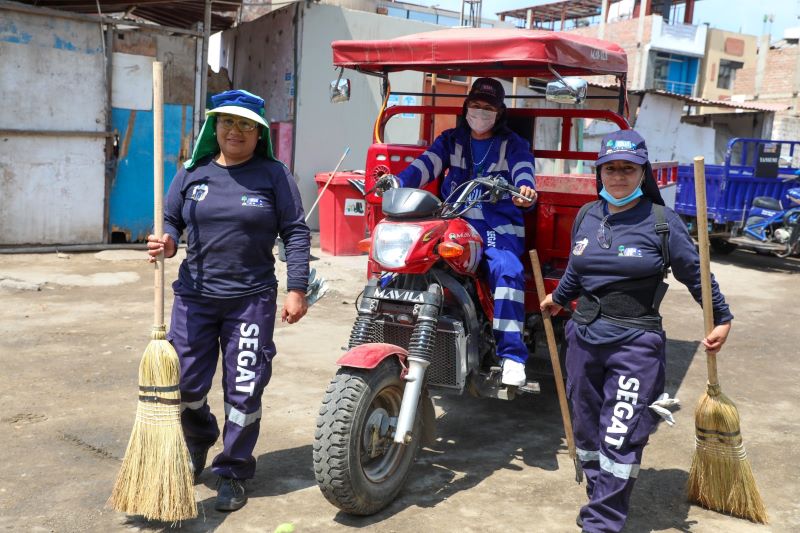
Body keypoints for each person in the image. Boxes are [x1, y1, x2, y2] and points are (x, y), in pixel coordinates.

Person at [539, 129, 733, 533]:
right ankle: (600, 494)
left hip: (634, 343)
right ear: (600, 172)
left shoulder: (662, 223)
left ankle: (602, 522)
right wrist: (559, 297)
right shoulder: (588, 215)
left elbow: (696, 274)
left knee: (621, 432)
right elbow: (578, 266)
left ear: (643, 172)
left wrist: (721, 317)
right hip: (584, 337)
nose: (618, 176)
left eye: (628, 168)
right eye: (610, 168)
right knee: (587, 430)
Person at [146, 89, 310, 512]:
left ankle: (234, 470)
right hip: (194, 299)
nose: (235, 131)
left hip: (250, 301)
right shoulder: (192, 172)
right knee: (184, 385)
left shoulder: (274, 175)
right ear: (214, 128)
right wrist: (165, 243)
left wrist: (297, 288)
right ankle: (199, 437)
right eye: (227, 123)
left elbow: (295, 231)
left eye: (245, 125)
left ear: (259, 134)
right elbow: (171, 222)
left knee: (243, 390)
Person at [381, 77, 538, 387]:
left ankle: (512, 357)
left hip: (496, 232)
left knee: (507, 271)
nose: (480, 112)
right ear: (466, 106)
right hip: (454, 224)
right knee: (403, 259)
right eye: (476, 105)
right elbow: (425, 165)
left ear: (500, 112)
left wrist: (525, 190)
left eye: (488, 107)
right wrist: (397, 182)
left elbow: (524, 171)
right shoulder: (452, 139)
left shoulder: (513, 144)